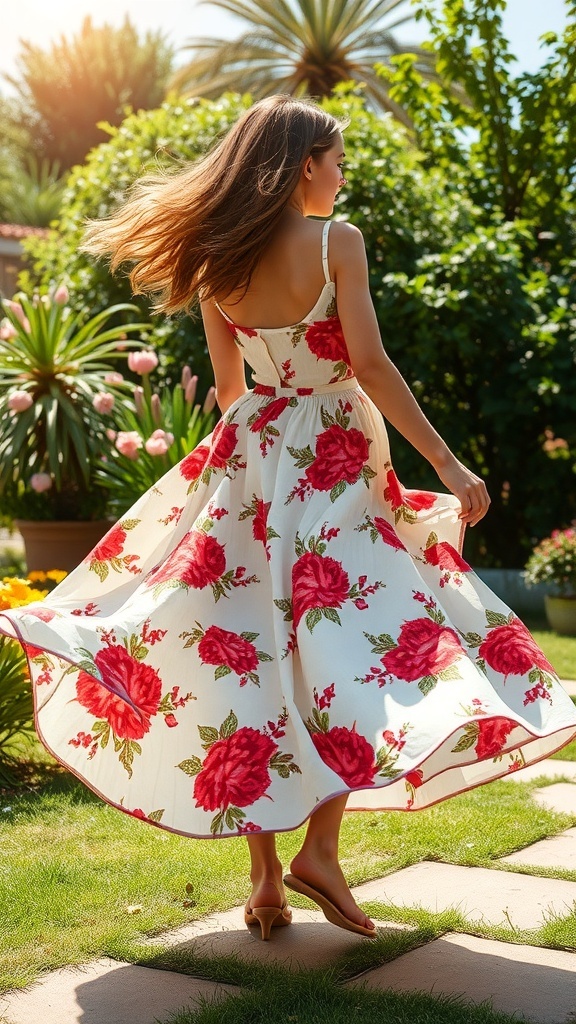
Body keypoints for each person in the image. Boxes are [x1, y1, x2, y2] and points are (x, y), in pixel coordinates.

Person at [1, 95, 575, 942]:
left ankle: (267, 881)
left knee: (262, 656)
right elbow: (370, 364)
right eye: (337, 160)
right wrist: (447, 462)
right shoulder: (337, 242)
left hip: (251, 458)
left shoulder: (214, 255)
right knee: (347, 642)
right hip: (332, 456)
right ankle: (322, 852)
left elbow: (231, 390)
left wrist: (266, 442)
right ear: (305, 162)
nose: (342, 176)